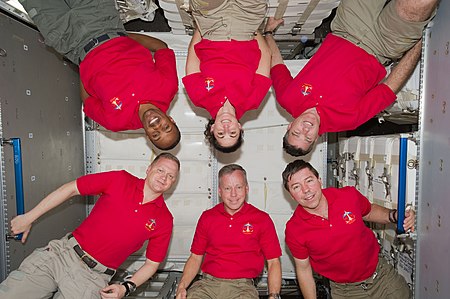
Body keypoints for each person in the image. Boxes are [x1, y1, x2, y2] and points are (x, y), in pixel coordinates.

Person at [264, 0, 439, 156]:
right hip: (382, 45)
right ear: (316, 140)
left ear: (290, 126)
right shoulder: (348, 120)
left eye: (296, 133)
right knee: (419, 4)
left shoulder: (287, 98)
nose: (305, 130)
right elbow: (389, 88)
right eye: (308, 138)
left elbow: (276, 64)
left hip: (348, 26)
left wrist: (269, 33)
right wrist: (418, 44)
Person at [0, 153, 180, 299]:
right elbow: (71, 188)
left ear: (173, 183)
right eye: (160, 170)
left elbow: (151, 264)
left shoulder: (164, 220)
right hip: (63, 254)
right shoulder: (120, 179)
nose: (164, 177)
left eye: (170, 176)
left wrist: (126, 288)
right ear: (149, 169)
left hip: (92, 278)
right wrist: (29, 217)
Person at [19, 0, 181, 150]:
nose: (157, 126)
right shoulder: (168, 87)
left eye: (155, 135)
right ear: (171, 120)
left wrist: (84, 63)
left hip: (68, 38)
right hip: (101, 18)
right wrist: (124, 36)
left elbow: (88, 101)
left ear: (147, 136)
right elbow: (162, 49)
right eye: (166, 127)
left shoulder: (115, 122)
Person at [282, 159, 415, 299]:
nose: (306, 190)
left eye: (309, 181)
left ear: (319, 180)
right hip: (346, 292)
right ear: (291, 195)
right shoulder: (294, 230)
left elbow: (368, 212)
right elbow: (304, 270)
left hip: (383, 277)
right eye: (296, 187)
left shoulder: (347, 195)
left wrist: (395, 215)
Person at [175, 164, 282, 299]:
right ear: (220, 191)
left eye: (238, 187)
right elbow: (195, 257)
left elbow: (273, 262)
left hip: (243, 288)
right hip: (207, 285)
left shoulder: (262, 219)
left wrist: (273, 295)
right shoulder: (207, 217)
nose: (233, 194)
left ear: (246, 189)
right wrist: (181, 287)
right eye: (227, 188)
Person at [182, 0, 272, 153]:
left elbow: (193, 56)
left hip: (211, 27)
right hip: (247, 26)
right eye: (232, 133)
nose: (226, 127)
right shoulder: (253, 100)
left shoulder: (198, 97)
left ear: (212, 129)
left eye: (220, 133)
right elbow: (265, 57)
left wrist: (201, 27)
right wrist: (253, 29)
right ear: (239, 127)